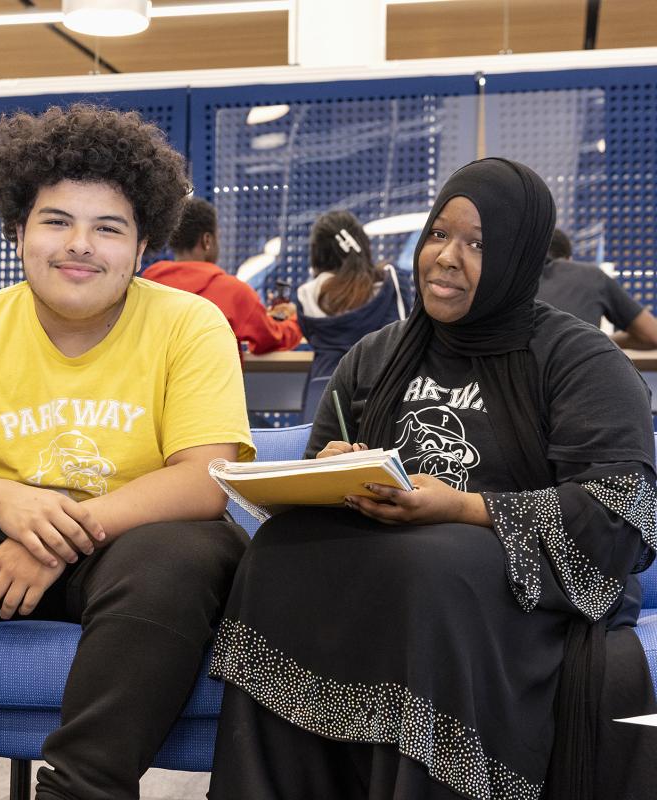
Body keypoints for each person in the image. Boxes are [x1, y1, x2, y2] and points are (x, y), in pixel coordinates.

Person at [208, 158, 657, 800]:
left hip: (525, 586)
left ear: (520, 257)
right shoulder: (376, 355)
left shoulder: (580, 359)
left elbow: (622, 516)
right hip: (394, 575)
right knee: (279, 555)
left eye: (477, 243)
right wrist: (333, 472)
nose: (446, 257)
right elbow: (308, 478)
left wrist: (464, 508)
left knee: (428, 566)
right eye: (438, 235)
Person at [0, 104, 254, 800]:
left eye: (109, 227)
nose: (81, 245)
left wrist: (53, 540)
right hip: (1, 535)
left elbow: (202, 482)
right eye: (56, 221)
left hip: (137, 543)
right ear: (18, 231)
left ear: (141, 247)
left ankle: (81, 789)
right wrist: (7, 501)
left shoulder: (191, 325)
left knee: (182, 554)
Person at [141, 197, 302, 360]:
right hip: (215, 385)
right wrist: (294, 320)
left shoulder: (146, 285)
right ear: (207, 240)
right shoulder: (234, 292)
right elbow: (271, 338)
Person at [296, 209, 410, 382]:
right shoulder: (392, 281)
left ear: (318, 253)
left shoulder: (306, 295)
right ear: (362, 242)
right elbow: (402, 336)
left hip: (324, 392)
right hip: (380, 391)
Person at [537, 227, 657, 349]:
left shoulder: (519, 280)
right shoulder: (591, 276)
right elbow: (653, 336)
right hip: (579, 365)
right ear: (569, 259)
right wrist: (595, 341)